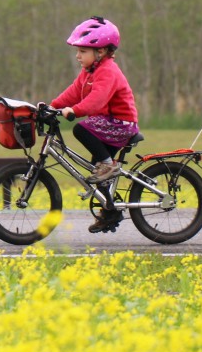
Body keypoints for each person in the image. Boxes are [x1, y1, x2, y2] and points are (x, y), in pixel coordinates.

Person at [49, 16, 140, 231]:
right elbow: (73, 92)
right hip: (107, 123)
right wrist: (52, 106)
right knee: (97, 168)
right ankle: (111, 212)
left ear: (100, 51)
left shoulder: (107, 71)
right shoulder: (88, 72)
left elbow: (96, 100)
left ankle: (109, 166)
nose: (78, 56)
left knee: (81, 129)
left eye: (82, 51)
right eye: (77, 51)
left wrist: (75, 111)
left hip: (121, 124)